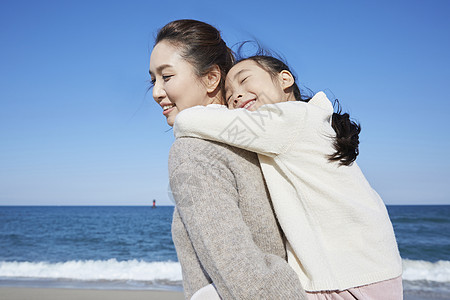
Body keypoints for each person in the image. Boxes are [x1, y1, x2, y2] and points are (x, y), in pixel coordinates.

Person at [174, 55, 404, 298]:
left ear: (285, 79)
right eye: (229, 95)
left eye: (244, 81)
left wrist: (215, 107)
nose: (236, 95)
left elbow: (188, 120)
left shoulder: (290, 118)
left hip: (349, 280)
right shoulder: (309, 119)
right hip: (372, 273)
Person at [149, 20, 306, 299]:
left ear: (211, 78)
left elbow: (243, 275)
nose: (156, 92)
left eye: (167, 77)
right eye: (153, 79)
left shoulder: (193, 150)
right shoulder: (260, 138)